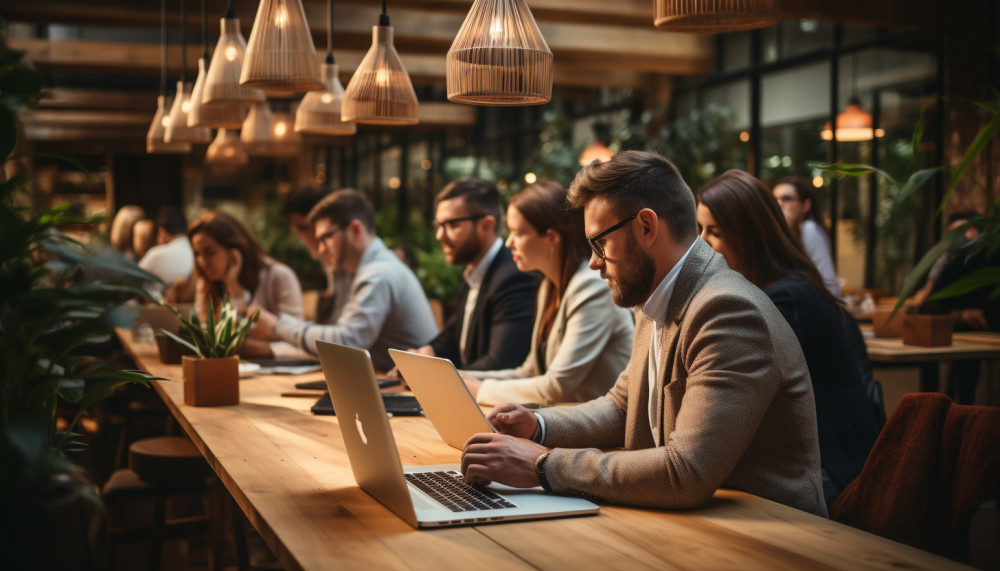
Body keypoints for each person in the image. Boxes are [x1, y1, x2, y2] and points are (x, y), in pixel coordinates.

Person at [460, 151, 827, 517]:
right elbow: (622, 407)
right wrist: (538, 425)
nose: (593, 262)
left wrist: (542, 465)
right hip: (692, 523)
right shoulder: (654, 297)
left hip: (769, 535)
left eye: (599, 243)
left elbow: (686, 472)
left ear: (646, 227)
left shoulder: (727, 311)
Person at [697, 170, 884, 507]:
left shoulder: (786, 298)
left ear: (750, 234)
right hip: (824, 456)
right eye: (700, 229)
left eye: (715, 231)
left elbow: (736, 393)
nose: (703, 243)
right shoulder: (777, 286)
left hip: (831, 471)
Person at [461, 181, 633, 406]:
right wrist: (458, 377)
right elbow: (530, 372)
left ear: (552, 237)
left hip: (603, 431)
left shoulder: (592, 287)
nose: (509, 243)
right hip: (570, 420)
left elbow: (556, 387)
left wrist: (480, 389)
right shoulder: (548, 286)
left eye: (518, 233)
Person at [250, 189, 438, 372]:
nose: (321, 250)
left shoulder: (378, 274)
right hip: (394, 384)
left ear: (355, 230)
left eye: (326, 238)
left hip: (413, 394)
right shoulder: (369, 268)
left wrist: (278, 327)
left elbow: (347, 343)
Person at [413, 179, 537, 371]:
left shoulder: (513, 277)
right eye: (439, 225)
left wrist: (442, 378)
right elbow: (454, 336)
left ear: (486, 226)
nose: (439, 236)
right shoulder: (475, 272)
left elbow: (501, 364)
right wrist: (429, 352)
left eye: (452, 225)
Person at [187, 211, 304, 321]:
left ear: (235, 250)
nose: (202, 262)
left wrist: (234, 289)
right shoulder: (205, 284)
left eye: (210, 252)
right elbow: (204, 332)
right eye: (197, 253)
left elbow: (295, 333)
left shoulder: (279, 276)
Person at [281, 185, 353, 324]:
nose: (303, 237)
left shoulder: (346, 264)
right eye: (297, 230)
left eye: (303, 228)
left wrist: (279, 327)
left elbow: (346, 331)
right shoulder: (330, 263)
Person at [772, 177, 841, 298]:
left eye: (786, 198)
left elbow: (829, 285)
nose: (779, 204)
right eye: (774, 199)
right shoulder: (777, 234)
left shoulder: (809, 229)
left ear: (805, 205)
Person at [138, 206, 195, 296]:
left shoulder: (156, 253)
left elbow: (133, 280)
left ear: (161, 232)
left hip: (157, 308)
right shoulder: (196, 252)